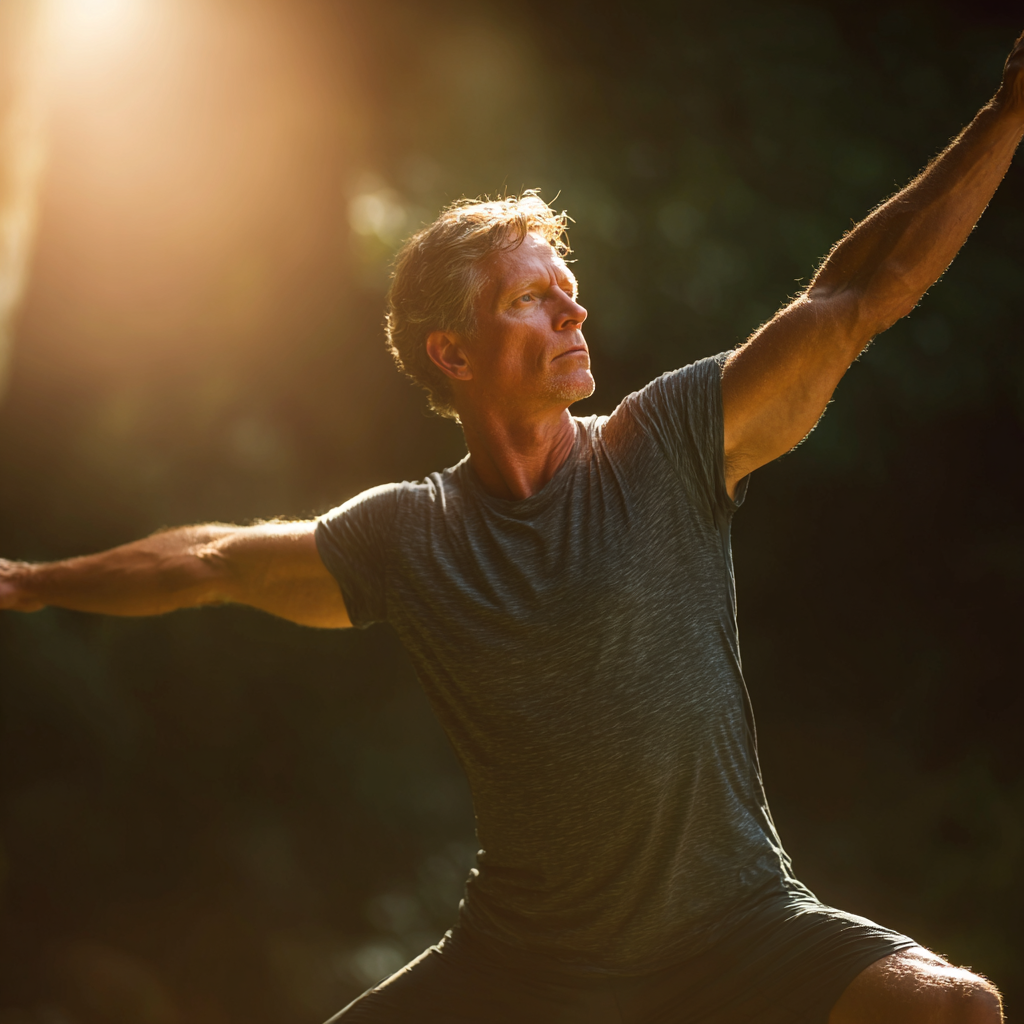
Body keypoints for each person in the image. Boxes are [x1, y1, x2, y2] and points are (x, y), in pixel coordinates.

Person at [3, 29, 1023, 1024]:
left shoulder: (662, 443)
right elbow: (212, 560)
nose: (574, 316)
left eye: (569, 294)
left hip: (740, 926)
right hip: (528, 965)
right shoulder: (412, 538)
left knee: (951, 1008)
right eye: (535, 298)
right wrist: (36, 580)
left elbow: (849, 297)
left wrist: (1005, 112)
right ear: (453, 351)